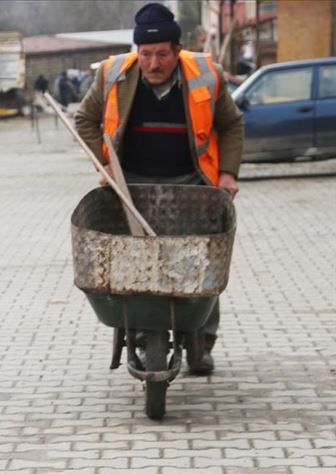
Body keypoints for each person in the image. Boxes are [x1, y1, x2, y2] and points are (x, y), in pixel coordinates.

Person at [74, 2, 244, 375]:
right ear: (137, 52)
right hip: (131, 186)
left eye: (162, 55)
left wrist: (228, 174)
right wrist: (104, 164)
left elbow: (231, 125)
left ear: (177, 49)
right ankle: (135, 329)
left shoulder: (206, 74)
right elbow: (84, 119)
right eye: (146, 54)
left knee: (203, 263)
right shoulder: (112, 74)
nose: (153, 64)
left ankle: (201, 340)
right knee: (131, 263)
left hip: (191, 185)